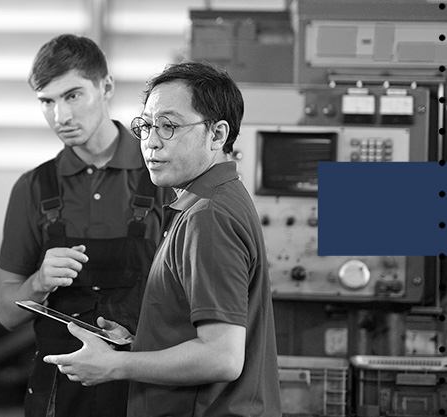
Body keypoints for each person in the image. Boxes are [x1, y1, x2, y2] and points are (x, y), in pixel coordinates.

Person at [43, 61, 282, 417]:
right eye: (146, 126)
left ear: (217, 135)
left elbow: (221, 357)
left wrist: (115, 366)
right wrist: (140, 345)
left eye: (169, 126)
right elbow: (199, 335)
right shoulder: (208, 201)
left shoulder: (209, 216)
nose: (151, 142)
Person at [0, 34, 173, 417]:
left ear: (106, 87)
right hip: (59, 397)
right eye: (47, 101)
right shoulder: (32, 188)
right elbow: (6, 314)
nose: (61, 117)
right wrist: (39, 282)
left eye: (73, 96)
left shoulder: (162, 178)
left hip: (143, 393)